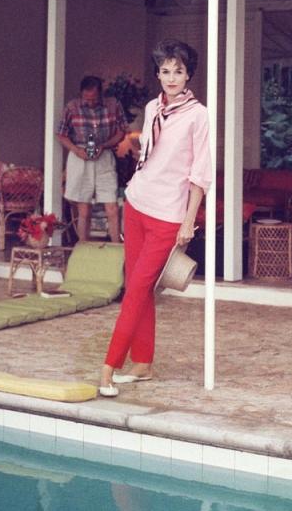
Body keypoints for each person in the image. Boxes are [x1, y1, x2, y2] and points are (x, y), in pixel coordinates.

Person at [98, 39, 212, 397]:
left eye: (178, 70)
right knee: (138, 286)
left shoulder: (199, 115)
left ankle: (107, 368)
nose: (171, 77)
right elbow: (150, 156)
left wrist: (188, 222)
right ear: (158, 74)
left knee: (134, 291)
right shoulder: (151, 109)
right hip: (136, 203)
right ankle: (143, 362)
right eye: (165, 70)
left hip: (167, 215)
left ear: (189, 73)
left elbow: (200, 175)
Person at [56, 75, 126, 242]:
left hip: (104, 157)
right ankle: (83, 246)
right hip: (80, 157)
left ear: (100, 94)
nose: (90, 102)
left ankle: (116, 248)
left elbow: (122, 131)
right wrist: (76, 150)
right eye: (86, 98)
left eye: (93, 98)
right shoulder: (72, 107)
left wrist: (105, 145)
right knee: (84, 209)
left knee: (112, 207)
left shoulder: (113, 105)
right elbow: (61, 134)